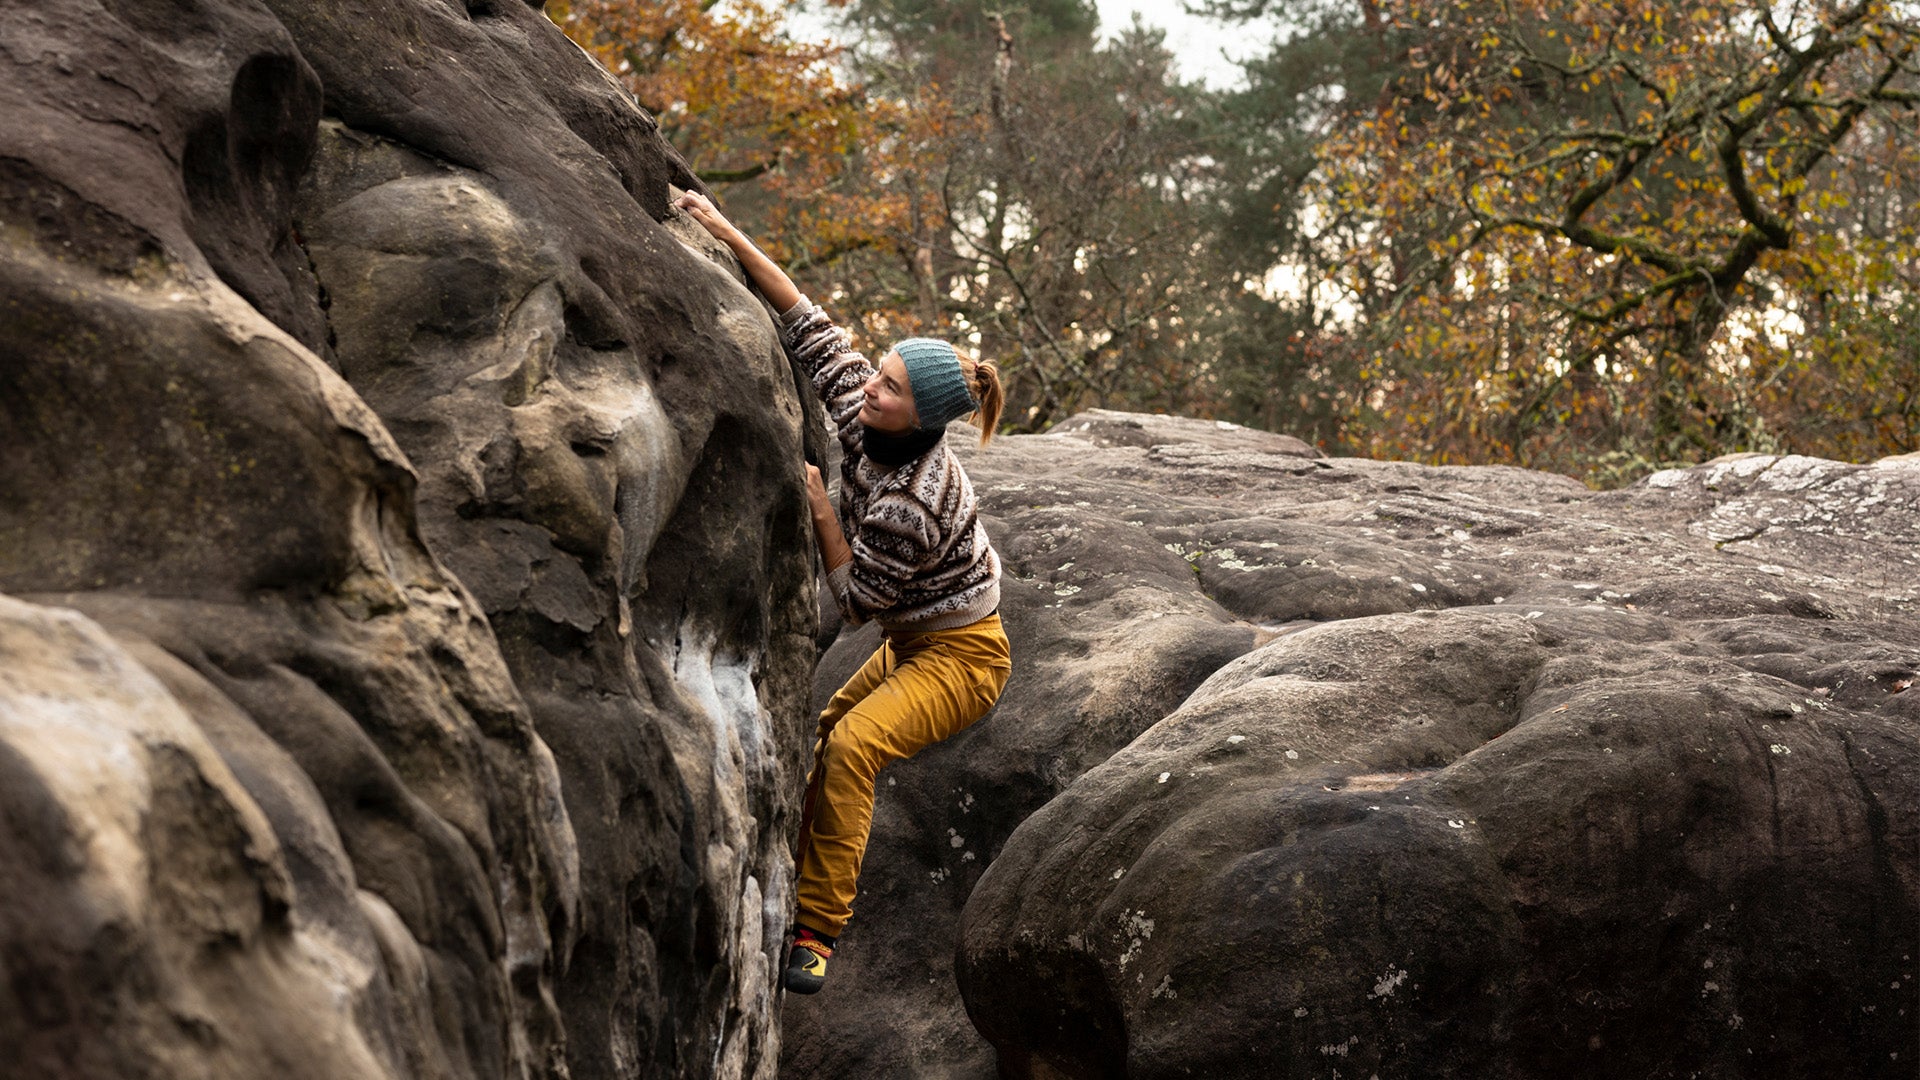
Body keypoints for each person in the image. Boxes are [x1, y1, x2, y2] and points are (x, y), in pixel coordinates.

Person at [675, 191, 1014, 995]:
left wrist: (824, 511)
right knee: (828, 731)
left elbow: (859, 601)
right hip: (917, 638)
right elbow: (804, 317)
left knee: (855, 746)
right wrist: (723, 227)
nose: (872, 389)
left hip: (964, 658)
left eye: (890, 389)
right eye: (881, 372)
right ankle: (790, 866)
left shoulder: (916, 498)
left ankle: (818, 932)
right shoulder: (867, 408)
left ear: (920, 419)